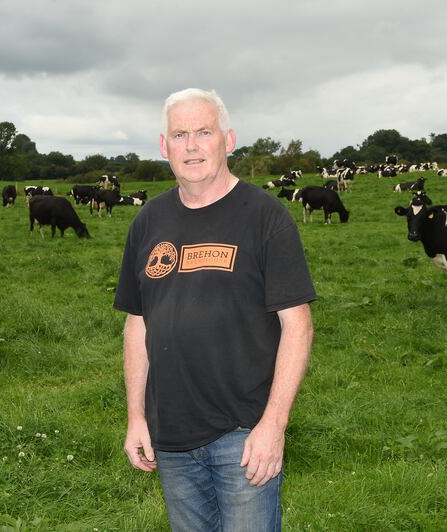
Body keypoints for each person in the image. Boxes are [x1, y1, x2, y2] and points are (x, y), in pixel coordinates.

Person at [114, 88, 315, 531]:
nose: (191, 146)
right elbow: (137, 323)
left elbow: (297, 326)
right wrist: (136, 417)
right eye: (179, 135)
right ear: (164, 146)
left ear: (229, 139)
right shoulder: (147, 221)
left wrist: (273, 425)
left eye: (204, 132)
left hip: (244, 434)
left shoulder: (266, 217)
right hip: (171, 436)